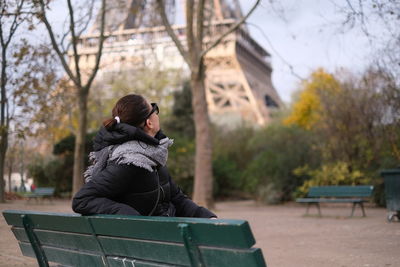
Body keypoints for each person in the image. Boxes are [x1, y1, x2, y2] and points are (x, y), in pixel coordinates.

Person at [72, 94, 216, 218]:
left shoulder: (152, 156)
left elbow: (177, 198)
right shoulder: (128, 163)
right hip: (154, 240)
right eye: (154, 109)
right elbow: (82, 199)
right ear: (149, 123)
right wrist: (134, 219)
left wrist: (207, 217)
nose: (156, 113)